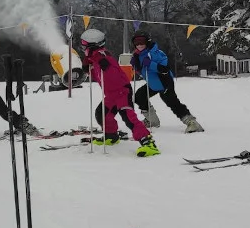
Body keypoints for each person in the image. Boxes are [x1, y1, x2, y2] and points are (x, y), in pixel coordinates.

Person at [80, 28, 159, 157]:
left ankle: (148, 143)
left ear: (92, 46)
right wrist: (89, 67)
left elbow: (113, 72)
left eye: (84, 45)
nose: (83, 48)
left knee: (129, 118)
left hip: (122, 92)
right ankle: (111, 136)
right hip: (111, 94)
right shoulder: (95, 57)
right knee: (102, 114)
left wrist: (99, 64)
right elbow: (99, 75)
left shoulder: (103, 57)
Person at [129, 29, 204, 132]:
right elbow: (144, 73)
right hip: (153, 84)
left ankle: (192, 123)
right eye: (136, 42)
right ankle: (152, 120)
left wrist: (151, 64)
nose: (139, 45)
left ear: (148, 41)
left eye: (142, 41)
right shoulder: (138, 56)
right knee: (139, 96)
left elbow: (164, 69)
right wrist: (136, 66)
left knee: (172, 102)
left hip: (164, 82)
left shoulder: (156, 53)